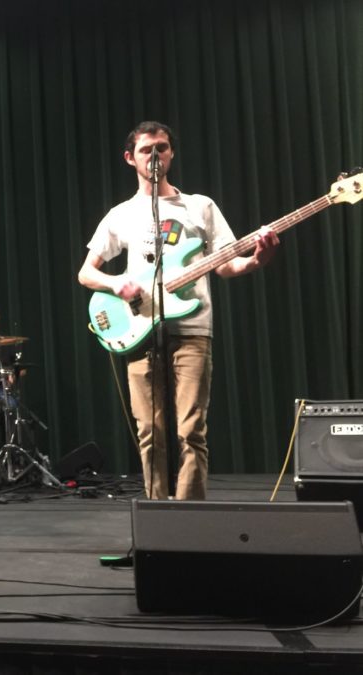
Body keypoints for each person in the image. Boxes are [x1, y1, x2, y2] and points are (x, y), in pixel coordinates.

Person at [77, 121, 279, 500]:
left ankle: (190, 522)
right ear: (129, 158)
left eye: (162, 148)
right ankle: (157, 518)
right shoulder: (121, 214)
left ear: (171, 153)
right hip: (139, 328)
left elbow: (225, 265)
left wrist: (256, 261)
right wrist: (117, 283)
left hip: (193, 329)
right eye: (146, 149)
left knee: (191, 430)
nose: (155, 155)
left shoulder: (200, 206)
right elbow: (86, 273)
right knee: (150, 431)